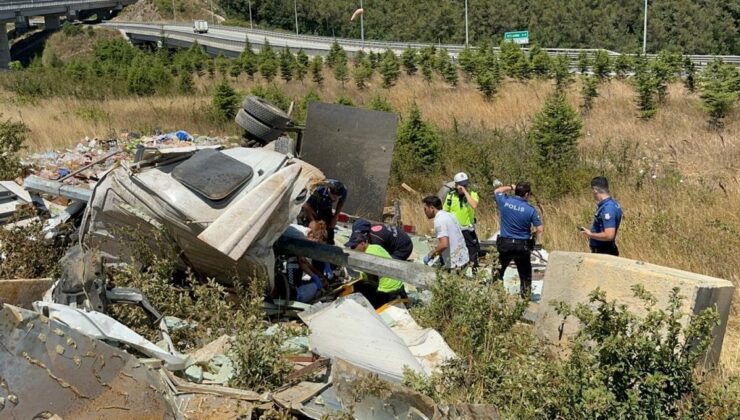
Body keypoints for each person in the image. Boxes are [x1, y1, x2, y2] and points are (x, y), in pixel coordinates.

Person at [494, 181, 543, 298]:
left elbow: (497, 191)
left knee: (498, 271)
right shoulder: (530, 209)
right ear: (526, 194)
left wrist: (511, 187)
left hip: (505, 244)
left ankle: (496, 296)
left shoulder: (505, 202)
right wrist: (533, 236)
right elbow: (540, 229)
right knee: (525, 275)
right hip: (522, 246)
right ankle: (525, 300)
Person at [347, 232, 407, 308]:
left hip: (388, 291)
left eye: (353, 247)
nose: (352, 249)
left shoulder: (367, 256)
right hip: (399, 286)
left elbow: (368, 278)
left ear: (362, 244)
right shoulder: (376, 247)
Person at [443, 172, 480, 269]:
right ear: (456, 185)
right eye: (461, 184)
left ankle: (475, 273)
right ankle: (460, 273)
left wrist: (465, 192)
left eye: (465, 184)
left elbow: (474, 205)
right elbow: (445, 212)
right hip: (455, 230)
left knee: (473, 252)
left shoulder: (472, 194)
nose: (464, 186)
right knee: (458, 253)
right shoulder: (450, 196)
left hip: (468, 229)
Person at [421, 196, 469, 270]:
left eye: (425, 209)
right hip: (463, 258)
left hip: (455, 263)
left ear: (432, 208)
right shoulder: (449, 215)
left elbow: (444, 244)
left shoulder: (439, 220)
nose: (424, 211)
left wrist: (431, 254)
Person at [580, 176, 623, 256]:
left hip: (604, 251)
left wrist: (590, 234)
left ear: (595, 190)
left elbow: (609, 235)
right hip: (604, 250)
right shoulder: (611, 204)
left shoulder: (608, 208)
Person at [301, 179, 347, 245]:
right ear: (329, 190)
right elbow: (306, 205)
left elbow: (341, 202)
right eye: (334, 197)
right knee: (312, 225)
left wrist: (335, 216)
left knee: (330, 225)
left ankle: (329, 243)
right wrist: (312, 221)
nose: (336, 199)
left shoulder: (344, 190)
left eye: (338, 197)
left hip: (326, 204)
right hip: (312, 204)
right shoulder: (318, 188)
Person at [345, 219, 413, 261]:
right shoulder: (370, 231)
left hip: (404, 246)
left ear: (365, 234)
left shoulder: (376, 239)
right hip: (393, 240)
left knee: (390, 264)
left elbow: (381, 256)